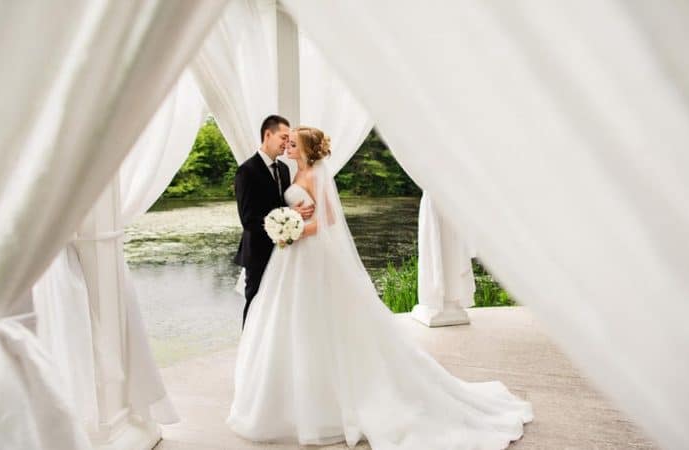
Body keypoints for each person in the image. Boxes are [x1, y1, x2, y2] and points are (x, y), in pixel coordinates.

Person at [228, 126, 533, 449]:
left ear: (305, 149)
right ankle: (294, 397)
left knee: (323, 322)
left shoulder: (317, 174)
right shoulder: (291, 172)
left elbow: (328, 219)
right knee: (294, 323)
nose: (288, 146)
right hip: (291, 259)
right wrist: (288, 221)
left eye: (293, 143)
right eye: (285, 141)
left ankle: (330, 402)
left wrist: (297, 229)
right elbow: (293, 208)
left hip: (311, 254)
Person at [233, 115, 313, 328]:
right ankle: (248, 354)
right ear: (268, 135)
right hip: (257, 252)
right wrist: (288, 215)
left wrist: (291, 216)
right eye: (283, 137)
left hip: (283, 251)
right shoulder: (246, 171)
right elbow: (248, 220)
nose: (286, 143)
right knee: (254, 303)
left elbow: (280, 203)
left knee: (278, 306)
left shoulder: (285, 170)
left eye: (289, 140)